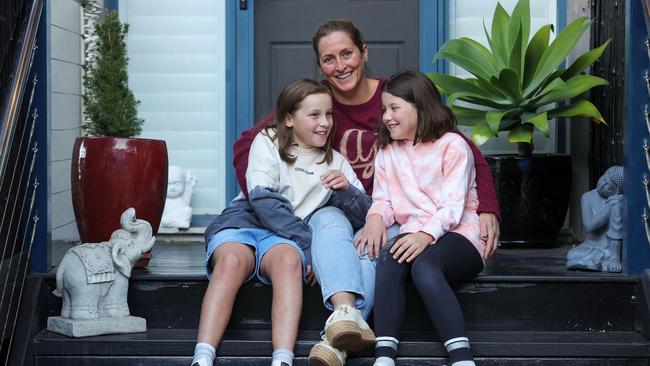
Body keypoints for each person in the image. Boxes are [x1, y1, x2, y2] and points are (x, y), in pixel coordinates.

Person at [233, 19, 501, 365]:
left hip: (392, 214)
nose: (340, 65)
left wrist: (487, 207)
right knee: (335, 227)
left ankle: (340, 339)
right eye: (329, 59)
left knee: (377, 250)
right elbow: (248, 145)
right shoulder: (317, 103)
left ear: (364, 52)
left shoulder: (396, 98)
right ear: (320, 67)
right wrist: (270, 206)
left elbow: (461, 148)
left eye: (347, 53)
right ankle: (344, 323)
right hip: (342, 210)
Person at [192, 79, 371, 366]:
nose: (324, 123)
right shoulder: (268, 140)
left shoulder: (336, 162)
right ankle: (202, 356)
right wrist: (310, 246)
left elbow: (365, 215)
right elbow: (264, 202)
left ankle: (282, 359)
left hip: (284, 238)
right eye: (314, 115)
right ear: (289, 118)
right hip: (246, 223)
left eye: (328, 114)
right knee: (231, 262)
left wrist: (347, 192)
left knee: (289, 263)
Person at [358, 70, 484, 366]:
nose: (387, 117)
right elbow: (384, 200)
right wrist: (375, 216)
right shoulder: (388, 150)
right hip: (414, 235)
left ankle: (461, 357)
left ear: (420, 106)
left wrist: (425, 236)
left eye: (394, 108)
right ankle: (384, 355)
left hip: (459, 235)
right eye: (384, 109)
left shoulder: (452, 145)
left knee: (425, 266)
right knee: (389, 259)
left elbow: (452, 208)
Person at [566, 166, 624, 272]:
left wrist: (617, 203)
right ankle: (594, 263)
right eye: (603, 179)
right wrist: (608, 207)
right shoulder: (587, 197)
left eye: (609, 187)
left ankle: (598, 263)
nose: (602, 185)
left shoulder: (617, 205)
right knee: (571, 255)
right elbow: (590, 226)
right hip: (592, 245)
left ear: (616, 192)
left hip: (610, 249)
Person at [160, 165, 198, 232]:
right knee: (161, 217)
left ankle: (177, 222)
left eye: (176, 184)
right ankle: (177, 222)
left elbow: (188, 194)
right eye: (168, 184)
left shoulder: (183, 198)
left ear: (184, 184)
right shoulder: (163, 199)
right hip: (165, 220)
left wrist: (190, 185)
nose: (172, 187)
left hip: (176, 218)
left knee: (187, 210)